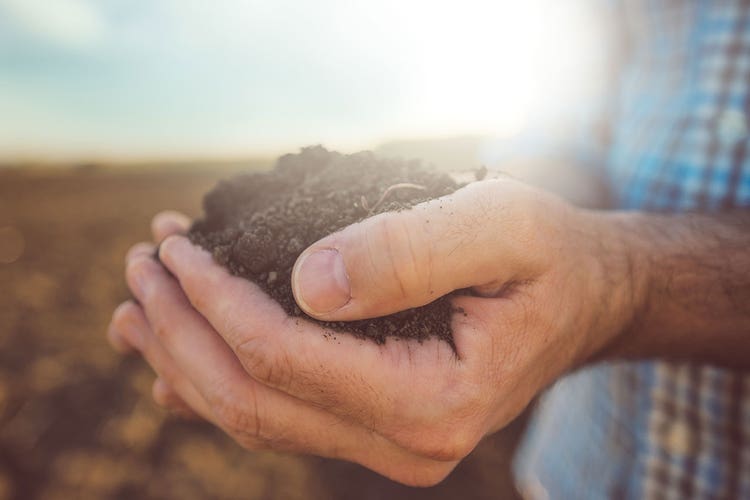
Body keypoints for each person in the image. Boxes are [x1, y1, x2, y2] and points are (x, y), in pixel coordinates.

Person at [107, 1, 750, 497]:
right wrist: (512, 228)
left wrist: (620, 283)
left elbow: (611, 275)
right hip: (577, 473)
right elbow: (568, 133)